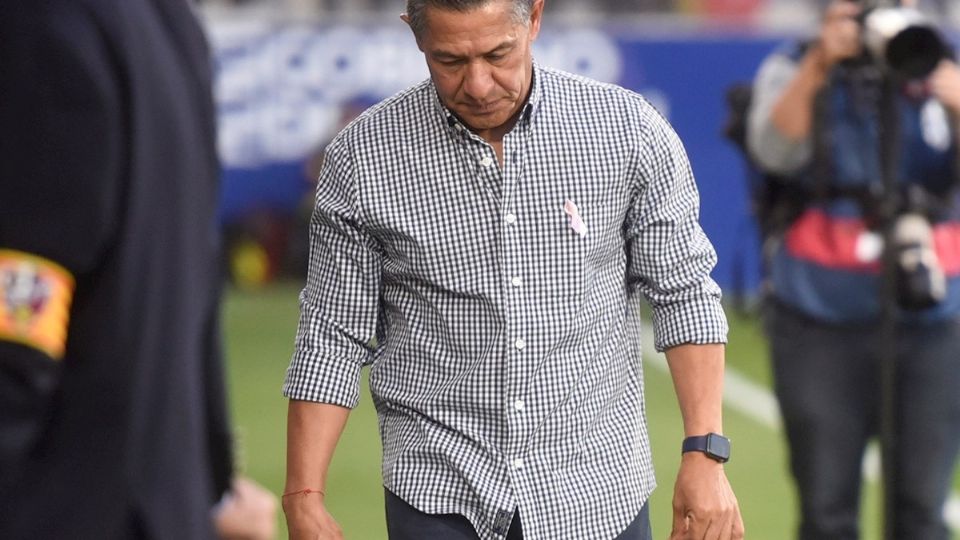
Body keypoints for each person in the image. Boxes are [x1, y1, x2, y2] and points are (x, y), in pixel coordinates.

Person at [282, 1, 744, 539]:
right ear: (414, 36)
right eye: (449, 60)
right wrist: (303, 494)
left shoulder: (627, 131)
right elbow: (332, 333)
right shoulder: (363, 157)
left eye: (498, 53)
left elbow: (683, 291)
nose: (478, 85)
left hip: (596, 492)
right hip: (437, 494)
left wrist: (705, 452)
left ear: (536, 19)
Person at [0, 1, 277, 539]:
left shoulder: (36, 23)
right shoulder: (167, 21)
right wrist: (207, 492)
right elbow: (197, 298)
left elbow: (19, 320)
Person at [746, 1, 960, 538]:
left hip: (931, 312)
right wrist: (822, 61)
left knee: (921, 509)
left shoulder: (939, 63)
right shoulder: (795, 63)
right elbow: (772, 152)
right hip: (818, 313)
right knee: (826, 509)